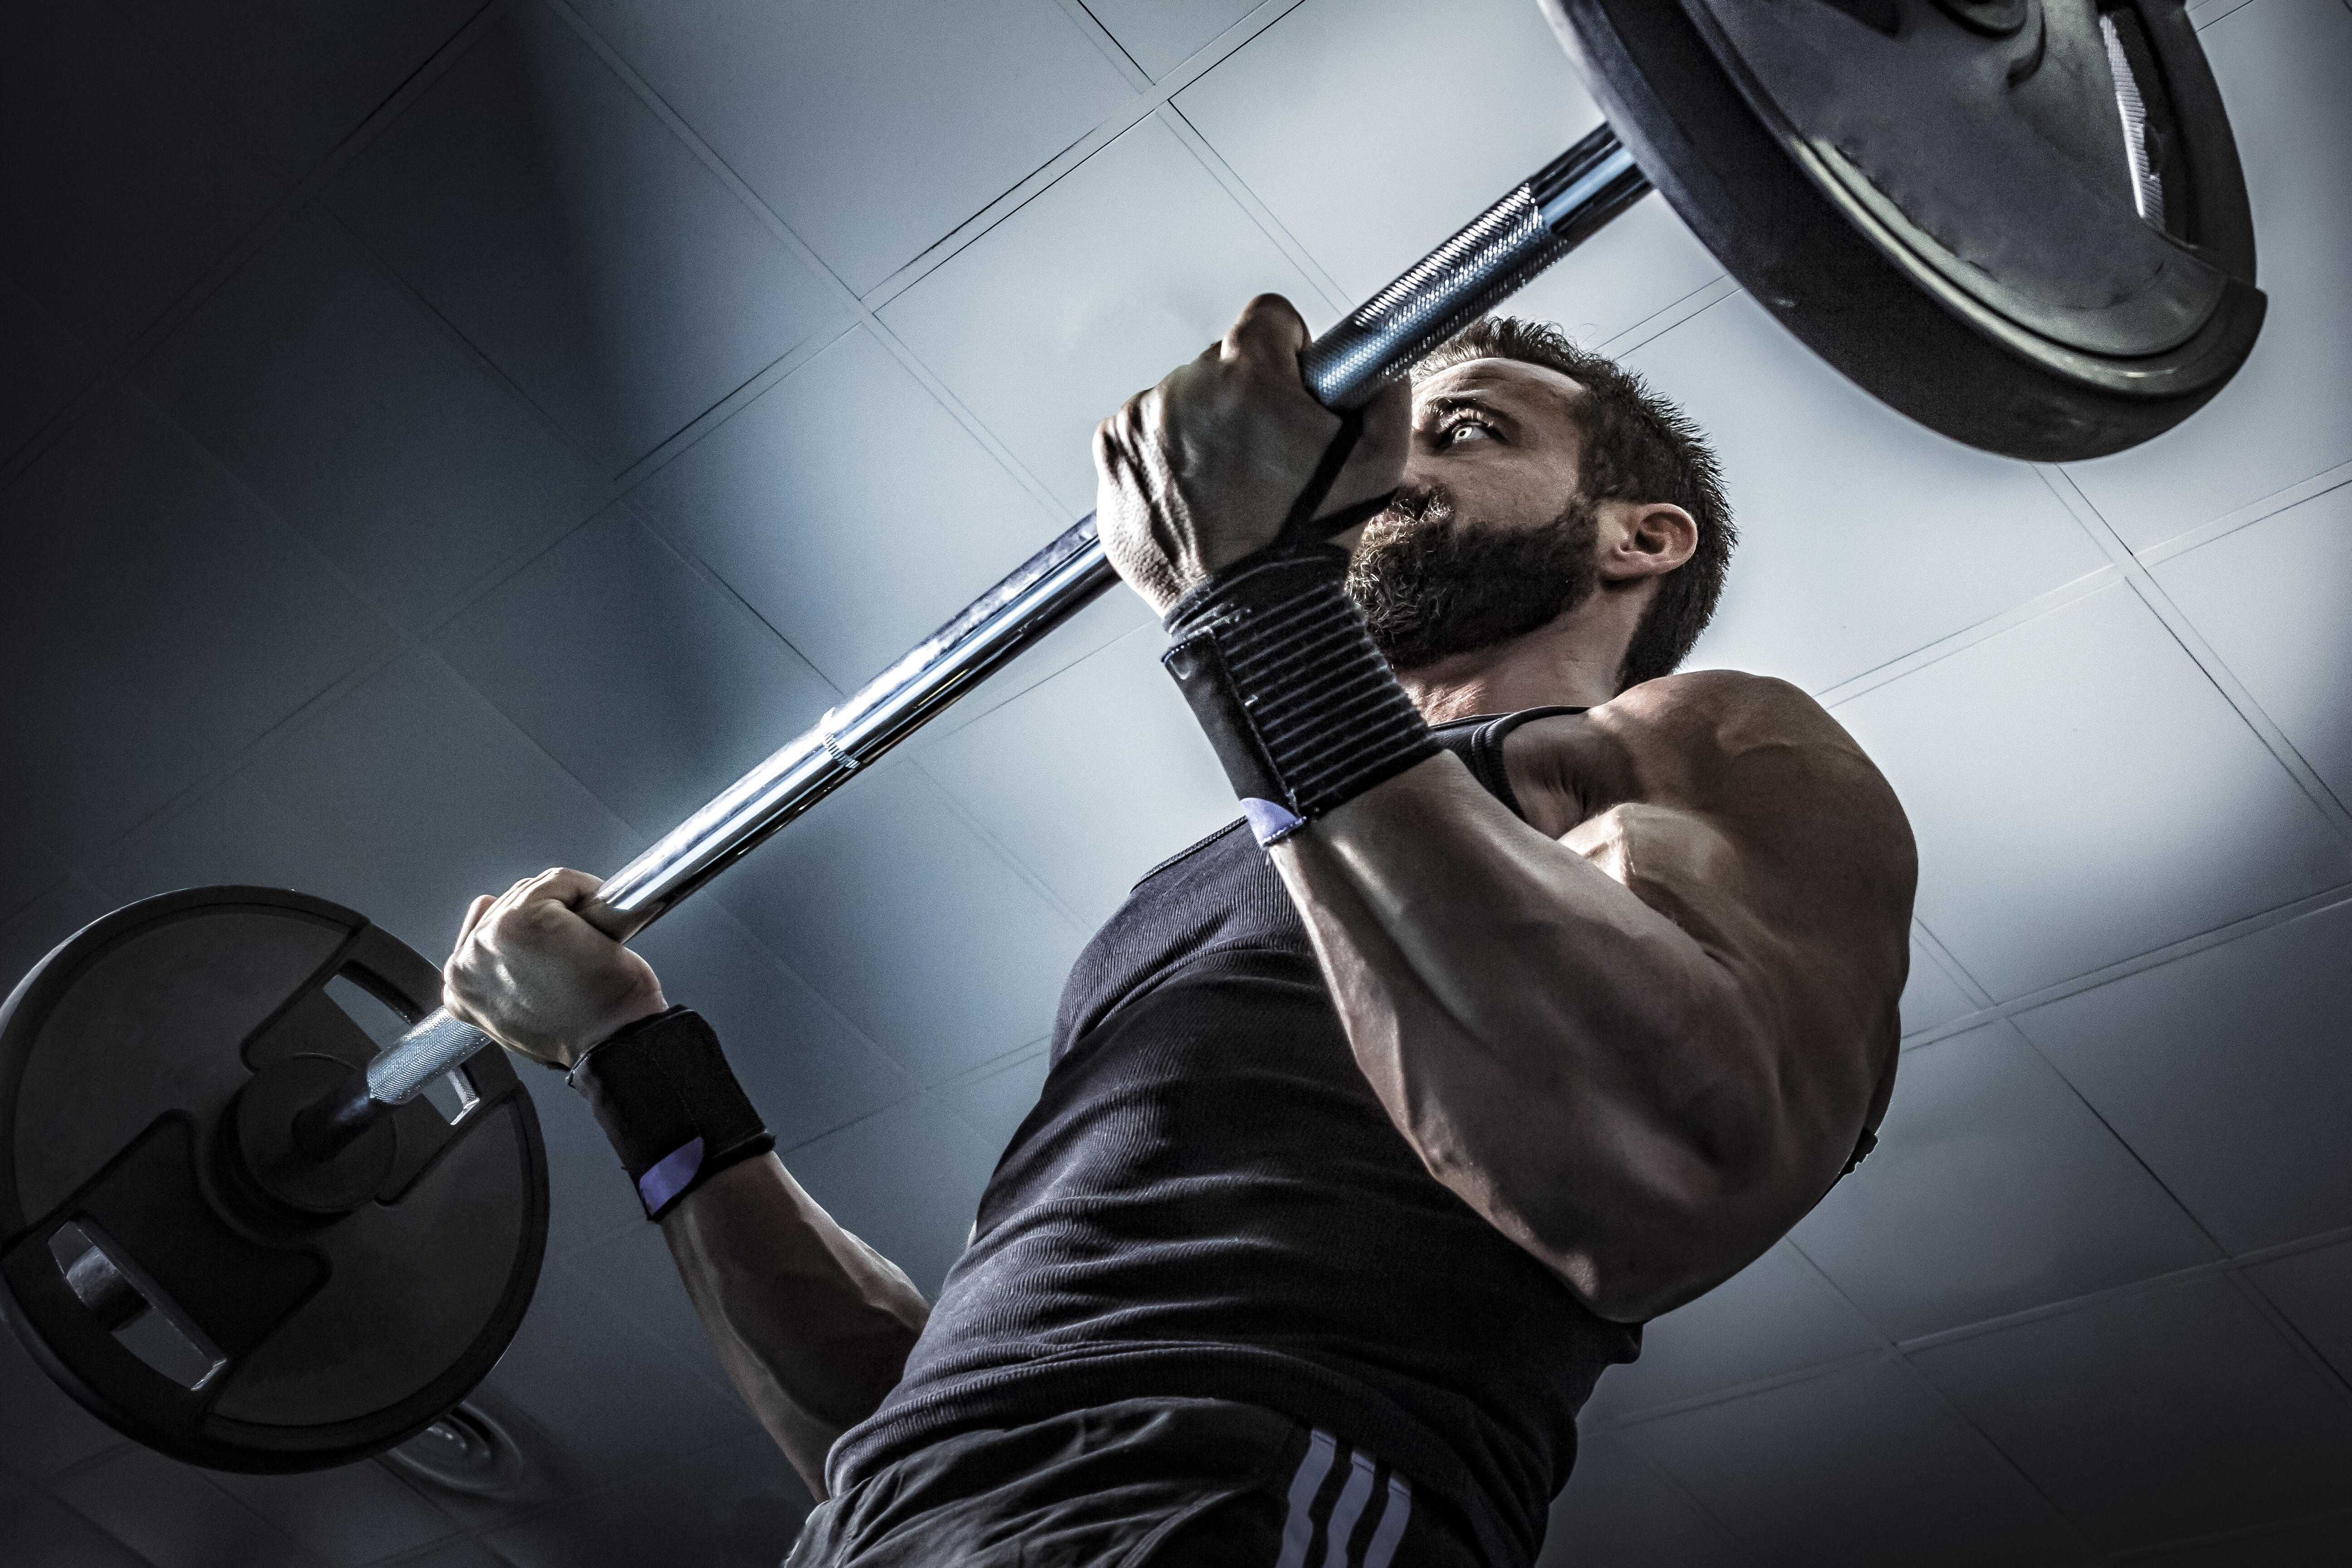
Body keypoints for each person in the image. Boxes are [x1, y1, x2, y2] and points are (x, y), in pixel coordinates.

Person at [443, 298, 1916, 1568]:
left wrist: (1256, 605)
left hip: (1238, 1503)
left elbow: (1674, 1166)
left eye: (1464, 430)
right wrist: (633, 1060)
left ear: (1640, 536)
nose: (1390, 463)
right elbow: (914, 1421)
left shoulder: (1698, 743)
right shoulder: (1194, 884)